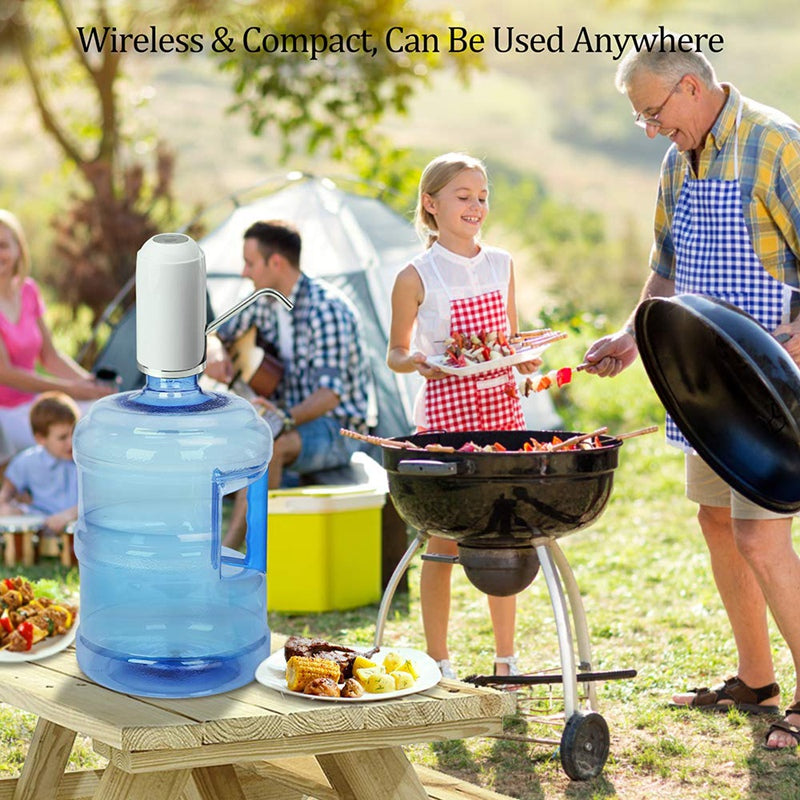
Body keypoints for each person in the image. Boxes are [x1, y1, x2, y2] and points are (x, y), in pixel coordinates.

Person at [583, 40, 800, 750]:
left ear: (687, 88)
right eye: (643, 120)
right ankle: (756, 679)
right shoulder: (680, 159)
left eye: (653, 113)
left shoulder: (776, 144)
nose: (651, 130)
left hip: (773, 387)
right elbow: (665, 272)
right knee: (716, 520)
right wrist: (630, 335)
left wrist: (788, 345)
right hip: (704, 386)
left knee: (761, 537)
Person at [386, 152, 541, 680]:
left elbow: (509, 339)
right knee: (444, 536)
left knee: (504, 531)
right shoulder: (415, 275)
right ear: (431, 204)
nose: (476, 205)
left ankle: (506, 658)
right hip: (445, 413)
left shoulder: (501, 264)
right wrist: (417, 362)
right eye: (463, 196)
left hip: (500, 407)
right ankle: (437, 658)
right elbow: (396, 352)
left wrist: (524, 356)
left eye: (482, 196)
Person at [205, 220, 372, 547]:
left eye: (250, 263)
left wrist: (281, 419)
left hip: (336, 428)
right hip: (285, 418)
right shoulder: (261, 300)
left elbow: (328, 397)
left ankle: (237, 553)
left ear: (276, 262)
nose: (244, 272)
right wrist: (215, 354)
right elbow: (215, 333)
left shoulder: (327, 310)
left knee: (270, 445)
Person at [0, 209, 111, 464]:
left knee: (101, 414)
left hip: (36, 403)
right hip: (5, 414)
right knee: (74, 434)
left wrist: (90, 384)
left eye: (3, 245)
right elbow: (5, 373)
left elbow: (50, 357)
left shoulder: (28, 290)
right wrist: (71, 390)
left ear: (19, 248)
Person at [0, 392, 80, 554]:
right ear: (41, 438)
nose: (70, 441)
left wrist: (69, 514)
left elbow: (99, 500)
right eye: (62, 437)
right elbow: (5, 495)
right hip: (43, 525)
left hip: (77, 521)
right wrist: (7, 507)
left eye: (74, 433)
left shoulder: (86, 460)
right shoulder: (27, 461)